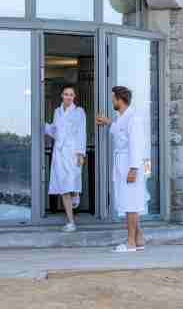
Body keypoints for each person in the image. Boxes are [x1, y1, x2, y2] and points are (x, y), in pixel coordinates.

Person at [96, 86, 145, 252]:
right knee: (129, 201)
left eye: (113, 98)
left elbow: (136, 144)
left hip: (129, 165)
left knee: (131, 203)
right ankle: (139, 239)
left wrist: (133, 168)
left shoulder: (133, 118)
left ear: (119, 99)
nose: (111, 101)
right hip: (122, 163)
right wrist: (108, 122)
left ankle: (130, 242)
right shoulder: (122, 117)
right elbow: (119, 129)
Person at [45, 85, 86, 232]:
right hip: (59, 153)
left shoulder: (79, 112)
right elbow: (56, 132)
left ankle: (76, 193)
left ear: (74, 97)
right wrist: (45, 127)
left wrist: (81, 153)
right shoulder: (57, 111)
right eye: (66, 94)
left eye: (71, 95)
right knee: (63, 188)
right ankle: (71, 222)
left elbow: (81, 132)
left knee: (71, 184)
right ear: (62, 95)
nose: (68, 97)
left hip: (73, 153)